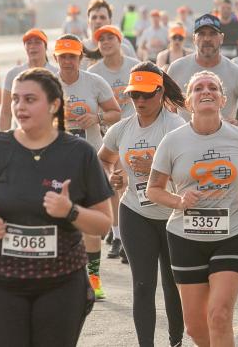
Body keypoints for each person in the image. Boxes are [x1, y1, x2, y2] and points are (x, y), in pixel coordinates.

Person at [0, 68, 114, 347]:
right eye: (16, 100)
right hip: (1, 279)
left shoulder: (79, 152)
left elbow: (104, 223)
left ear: (54, 104)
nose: (20, 107)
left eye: (30, 99)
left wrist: (70, 211)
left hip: (61, 282)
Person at [148, 71, 238, 347]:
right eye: (198, 88)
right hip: (184, 236)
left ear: (223, 99)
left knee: (219, 315)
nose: (206, 92)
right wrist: (178, 200)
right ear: (189, 102)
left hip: (234, 232)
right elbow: (153, 189)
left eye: (213, 88)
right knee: (195, 327)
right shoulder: (172, 141)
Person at [99, 63, 187, 347]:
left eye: (146, 95)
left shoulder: (175, 127)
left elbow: (191, 172)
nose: (139, 101)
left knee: (173, 285)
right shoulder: (122, 129)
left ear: (160, 92)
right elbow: (103, 158)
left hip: (173, 214)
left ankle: (176, 342)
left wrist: (157, 168)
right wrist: (110, 177)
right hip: (136, 212)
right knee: (143, 285)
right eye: (134, 95)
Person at [54, 34, 122, 298]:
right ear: (55, 58)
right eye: (63, 56)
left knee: (88, 222)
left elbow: (116, 112)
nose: (68, 61)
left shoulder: (94, 82)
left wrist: (96, 117)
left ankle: (93, 278)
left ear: (80, 57)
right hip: (55, 160)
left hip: (90, 157)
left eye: (72, 56)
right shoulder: (47, 83)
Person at [88, 25, 140, 260]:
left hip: (138, 130)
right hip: (110, 133)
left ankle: (133, 235)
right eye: (101, 40)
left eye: (111, 38)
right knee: (114, 184)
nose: (106, 42)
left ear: (120, 41)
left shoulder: (133, 66)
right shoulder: (95, 72)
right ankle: (119, 236)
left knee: (131, 183)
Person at [167, 14, 238, 123]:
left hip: (224, 138)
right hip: (185, 138)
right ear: (194, 39)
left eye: (213, 34)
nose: (207, 39)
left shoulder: (236, 72)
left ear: (221, 38)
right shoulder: (176, 69)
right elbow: (166, 109)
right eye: (201, 34)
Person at [0, 29, 58, 131]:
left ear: (46, 46)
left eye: (37, 42)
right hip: (21, 136)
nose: (32, 46)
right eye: (29, 43)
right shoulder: (13, 74)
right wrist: (2, 141)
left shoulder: (56, 74)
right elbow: (6, 113)